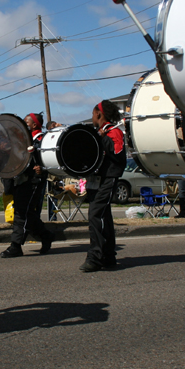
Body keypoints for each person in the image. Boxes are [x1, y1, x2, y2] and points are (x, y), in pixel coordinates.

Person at [0, 112, 55, 258]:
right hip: (22, 179)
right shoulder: (24, 139)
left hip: (34, 181)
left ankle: (16, 246)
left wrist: (42, 168)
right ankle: (45, 235)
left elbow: (50, 159)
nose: (24, 125)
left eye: (27, 122)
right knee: (26, 212)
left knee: (21, 212)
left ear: (35, 125)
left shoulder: (42, 140)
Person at [80, 100, 125, 272]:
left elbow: (117, 152)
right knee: (104, 216)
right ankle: (108, 256)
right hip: (99, 178)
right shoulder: (101, 132)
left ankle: (95, 257)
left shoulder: (114, 132)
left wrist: (101, 138)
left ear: (98, 114)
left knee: (96, 214)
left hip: (109, 177)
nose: (92, 117)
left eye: (92, 114)